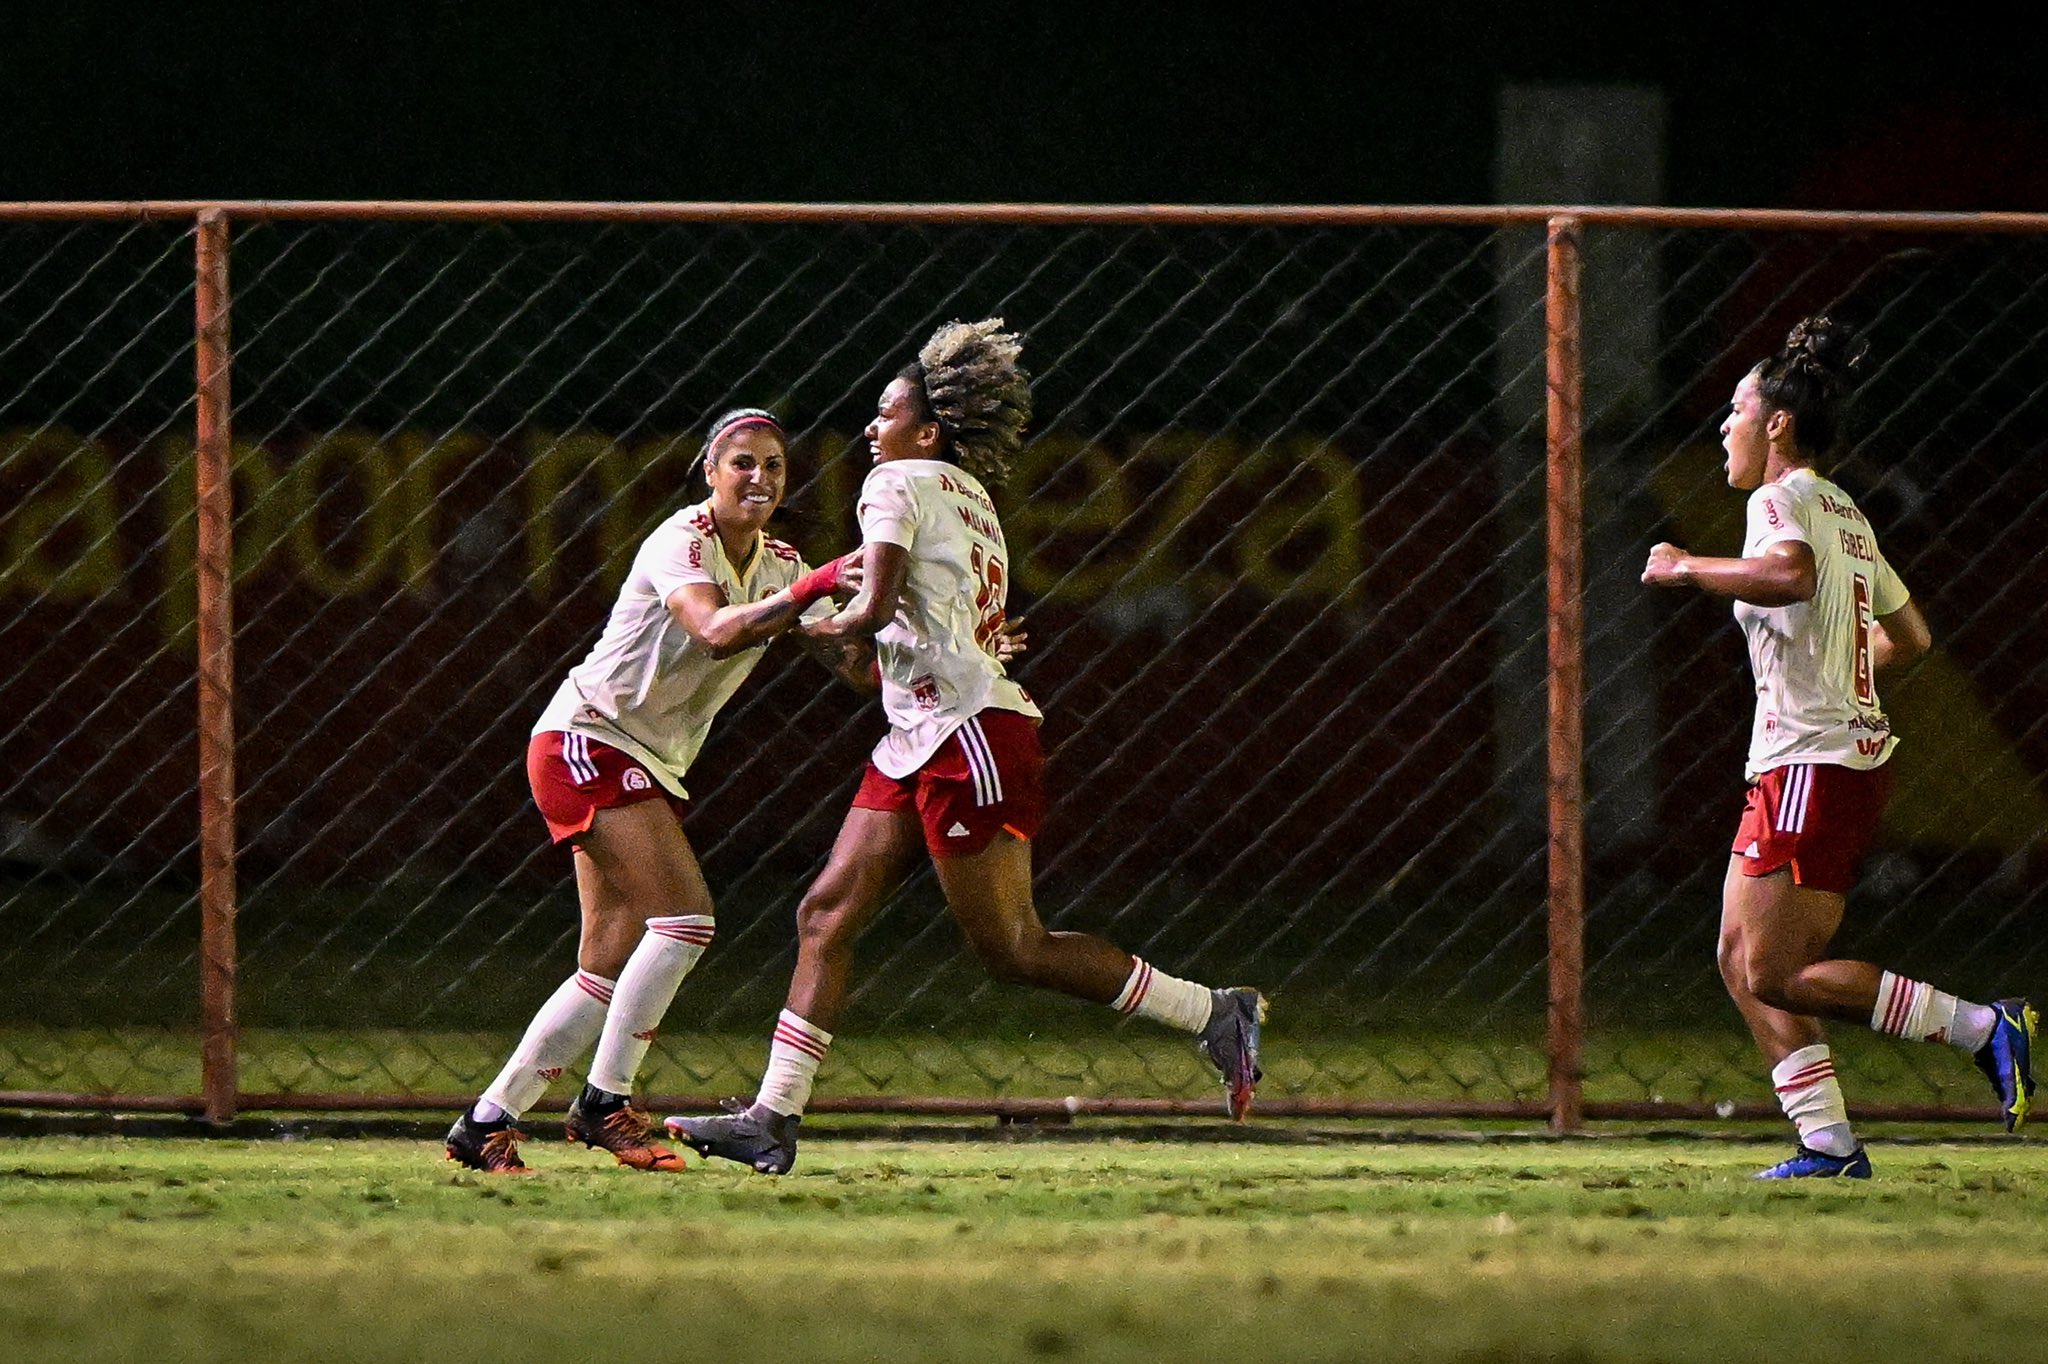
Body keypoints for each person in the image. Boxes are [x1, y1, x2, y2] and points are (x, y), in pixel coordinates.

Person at [665, 318, 1266, 1175]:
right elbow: (925, 622)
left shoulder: (895, 482)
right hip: (923, 733)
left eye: (883, 415)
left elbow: (870, 613)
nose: (869, 430)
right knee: (825, 914)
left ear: (927, 428)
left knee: (1013, 949)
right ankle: (773, 1115)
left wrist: (788, 616)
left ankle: (1213, 1012)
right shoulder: (970, 496)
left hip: (966, 735)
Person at [1642, 315, 2036, 1179]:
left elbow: (1787, 577)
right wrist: (1847, 680)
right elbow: (1914, 636)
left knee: (1779, 973)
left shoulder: (1779, 500)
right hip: (1811, 757)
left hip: (1813, 765)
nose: (1724, 424)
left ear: (1777, 423)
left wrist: (1683, 568)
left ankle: (1984, 1028)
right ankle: (1826, 1143)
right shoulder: (1843, 510)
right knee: (1737, 961)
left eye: (1736, 408)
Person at [445, 407, 865, 1175]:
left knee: (602, 965)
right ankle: (605, 1103)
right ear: (709, 470)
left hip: (637, 755)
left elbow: (852, 661)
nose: (760, 478)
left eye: (774, 465)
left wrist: (953, 645)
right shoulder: (683, 540)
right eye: (742, 462)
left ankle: (486, 1122)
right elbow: (713, 630)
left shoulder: (780, 562)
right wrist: (821, 584)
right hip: (588, 738)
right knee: (686, 921)